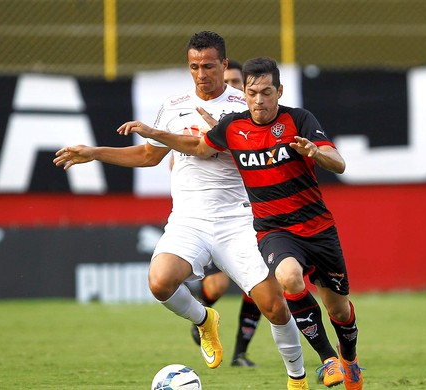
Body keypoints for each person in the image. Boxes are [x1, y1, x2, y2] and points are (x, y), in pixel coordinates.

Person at [54, 33, 309, 390]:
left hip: (238, 219)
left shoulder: (244, 105)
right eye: (194, 67)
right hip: (189, 219)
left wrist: (167, 133)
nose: (201, 74)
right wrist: (95, 152)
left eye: (208, 65)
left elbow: (216, 149)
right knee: (160, 282)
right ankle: (206, 320)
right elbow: (148, 155)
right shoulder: (174, 105)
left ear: (224, 64)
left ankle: (297, 379)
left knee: (276, 307)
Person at [117, 56, 364, 390]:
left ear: (279, 91)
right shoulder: (232, 127)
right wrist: (154, 133)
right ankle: (327, 361)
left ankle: (348, 356)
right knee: (289, 278)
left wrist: (315, 152)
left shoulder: (300, 120)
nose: (259, 100)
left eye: (265, 92)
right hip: (273, 229)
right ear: (244, 93)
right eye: (252, 93)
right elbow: (197, 147)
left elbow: (339, 163)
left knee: (340, 310)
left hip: (317, 227)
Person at [185, 58, 263, 368]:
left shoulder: (249, 121)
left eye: (235, 83)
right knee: (218, 286)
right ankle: (202, 316)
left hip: (248, 212)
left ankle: (240, 353)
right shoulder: (201, 120)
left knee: (259, 285)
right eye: (227, 81)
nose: (229, 87)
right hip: (211, 216)